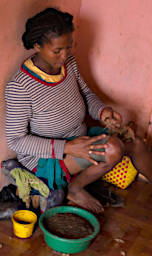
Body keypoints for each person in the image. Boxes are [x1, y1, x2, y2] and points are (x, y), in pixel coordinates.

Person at [5, 8, 128, 214]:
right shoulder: (20, 86)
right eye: (57, 51)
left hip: (76, 139)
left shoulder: (68, 64)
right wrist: (68, 148)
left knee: (133, 144)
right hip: (46, 158)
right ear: (37, 46)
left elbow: (87, 94)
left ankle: (73, 185)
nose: (64, 56)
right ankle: (75, 188)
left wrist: (103, 111)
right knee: (113, 149)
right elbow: (16, 140)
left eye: (68, 48)